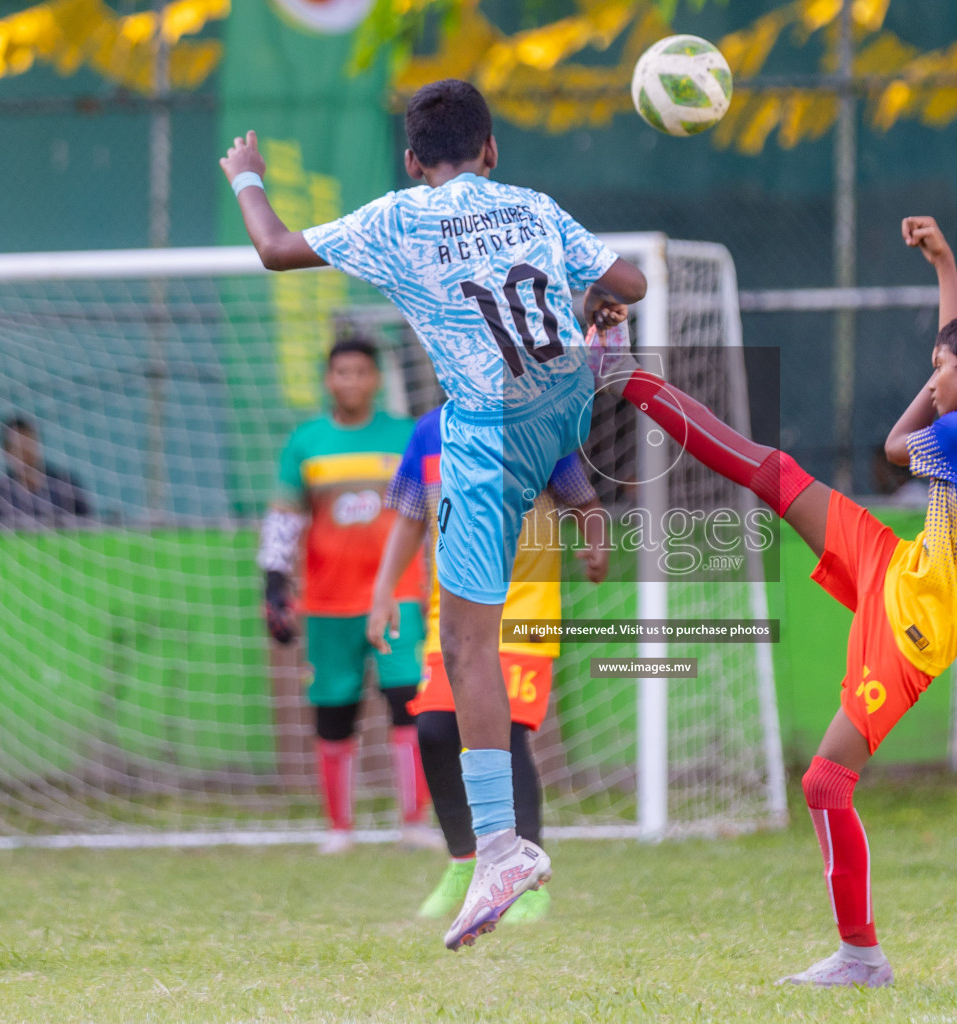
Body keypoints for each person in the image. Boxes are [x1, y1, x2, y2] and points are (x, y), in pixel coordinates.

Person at [221, 78, 647, 949]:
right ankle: (598, 340)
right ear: (492, 150)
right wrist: (596, 297)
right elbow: (632, 277)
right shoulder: (532, 202)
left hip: (488, 429)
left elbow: (271, 248)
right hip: (565, 408)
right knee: (572, 336)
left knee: (462, 643)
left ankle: (498, 848)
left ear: (415, 162)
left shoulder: (397, 219)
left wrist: (247, 176)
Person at [611, 217, 957, 987]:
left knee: (823, 783)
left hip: (912, 629)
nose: (931, 375)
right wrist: (945, 268)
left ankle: (861, 956)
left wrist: (932, 391)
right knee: (773, 473)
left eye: (937, 367)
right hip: (902, 566)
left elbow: (896, 447)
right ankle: (632, 377)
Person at [366, 405, 608, 925]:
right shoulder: (429, 431)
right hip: (452, 611)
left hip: (526, 606)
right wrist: (384, 591)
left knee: (507, 733)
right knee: (432, 729)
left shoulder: (544, 424)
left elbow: (583, 499)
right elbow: (410, 519)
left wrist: (595, 541)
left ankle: (530, 879)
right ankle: (465, 863)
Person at [257, 336, 432, 855]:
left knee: (409, 702)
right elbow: (285, 514)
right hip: (329, 601)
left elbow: (432, 508)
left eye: (360, 372)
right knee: (335, 709)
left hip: (398, 596)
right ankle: (339, 829)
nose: (351, 382)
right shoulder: (306, 441)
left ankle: (414, 823)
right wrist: (273, 580)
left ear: (376, 379)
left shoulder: (407, 435)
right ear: (328, 380)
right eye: (341, 373)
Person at [0, 416, 91, 526]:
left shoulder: (65, 485)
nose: (23, 453)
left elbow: (89, 525)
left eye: (27, 445)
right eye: (16, 447)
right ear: (5, 451)